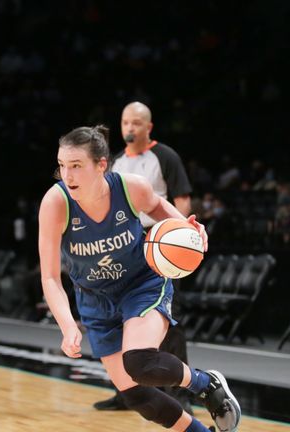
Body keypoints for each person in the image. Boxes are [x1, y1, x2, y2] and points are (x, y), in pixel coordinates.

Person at [38, 125, 240, 432]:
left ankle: (205, 383)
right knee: (136, 395)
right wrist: (68, 326)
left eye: (77, 166)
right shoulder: (55, 203)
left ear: (101, 165)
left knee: (140, 363)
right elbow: (51, 277)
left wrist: (187, 230)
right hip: (95, 299)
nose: (67, 176)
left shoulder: (130, 187)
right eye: (62, 166)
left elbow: (159, 208)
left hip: (140, 285)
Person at [101, 101, 194, 412]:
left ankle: (180, 396)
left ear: (148, 127)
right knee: (118, 319)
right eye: (125, 122)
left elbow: (181, 202)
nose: (130, 128)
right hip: (123, 248)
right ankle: (127, 394)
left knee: (167, 320)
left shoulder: (165, 157)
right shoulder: (114, 162)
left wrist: (175, 240)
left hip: (158, 245)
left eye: (136, 123)